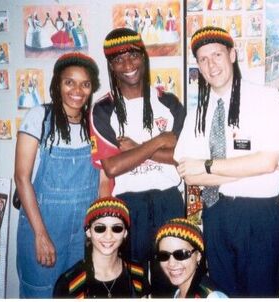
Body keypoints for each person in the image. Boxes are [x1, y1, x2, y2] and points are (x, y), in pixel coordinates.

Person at [174, 26, 279, 297]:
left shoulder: (266, 98)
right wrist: (251, 166)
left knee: (261, 293)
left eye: (216, 55)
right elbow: (189, 173)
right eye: (203, 59)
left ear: (233, 54)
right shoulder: (199, 110)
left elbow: (269, 162)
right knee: (222, 294)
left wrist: (208, 166)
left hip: (258, 216)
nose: (211, 65)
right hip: (215, 214)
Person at [90, 27, 186, 297]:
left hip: (169, 201)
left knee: (171, 279)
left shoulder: (168, 102)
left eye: (133, 55)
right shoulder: (103, 108)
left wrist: (134, 150)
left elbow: (183, 157)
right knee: (130, 284)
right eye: (118, 59)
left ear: (143, 57)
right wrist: (158, 142)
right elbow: (113, 166)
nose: (128, 65)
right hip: (128, 205)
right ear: (110, 65)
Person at [14, 52, 100, 298]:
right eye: (69, 82)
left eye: (85, 84)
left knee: (76, 293)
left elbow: (103, 177)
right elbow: (21, 178)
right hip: (42, 226)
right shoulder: (39, 117)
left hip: (81, 236)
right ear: (57, 84)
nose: (77, 90)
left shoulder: (94, 124)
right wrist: (41, 235)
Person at [53, 197, 150, 298]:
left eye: (117, 228)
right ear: (88, 231)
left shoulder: (137, 273)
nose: (108, 236)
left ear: (125, 233)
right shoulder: (69, 283)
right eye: (100, 228)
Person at [154, 218, 227, 298]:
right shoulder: (178, 293)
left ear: (198, 255)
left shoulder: (212, 297)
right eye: (164, 255)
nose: (171, 263)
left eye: (181, 254)